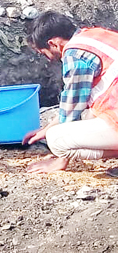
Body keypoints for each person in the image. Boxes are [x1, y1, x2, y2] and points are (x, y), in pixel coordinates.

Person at [22, 11, 118, 173]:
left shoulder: (75, 55)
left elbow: (73, 106)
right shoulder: (96, 35)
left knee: (56, 139)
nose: (47, 58)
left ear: (52, 43)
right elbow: (76, 102)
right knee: (89, 114)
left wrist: (60, 160)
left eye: (43, 52)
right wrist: (46, 128)